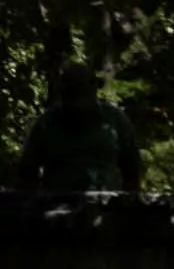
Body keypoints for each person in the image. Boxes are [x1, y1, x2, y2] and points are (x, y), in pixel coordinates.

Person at [13, 65, 143, 193]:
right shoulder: (47, 123)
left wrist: (128, 205)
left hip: (106, 205)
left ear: (94, 90)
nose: (80, 104)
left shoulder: (115, 120)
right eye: (74, 93)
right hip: (58, 205)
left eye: (83, 93)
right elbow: (27, 173)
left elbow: (132, 169)